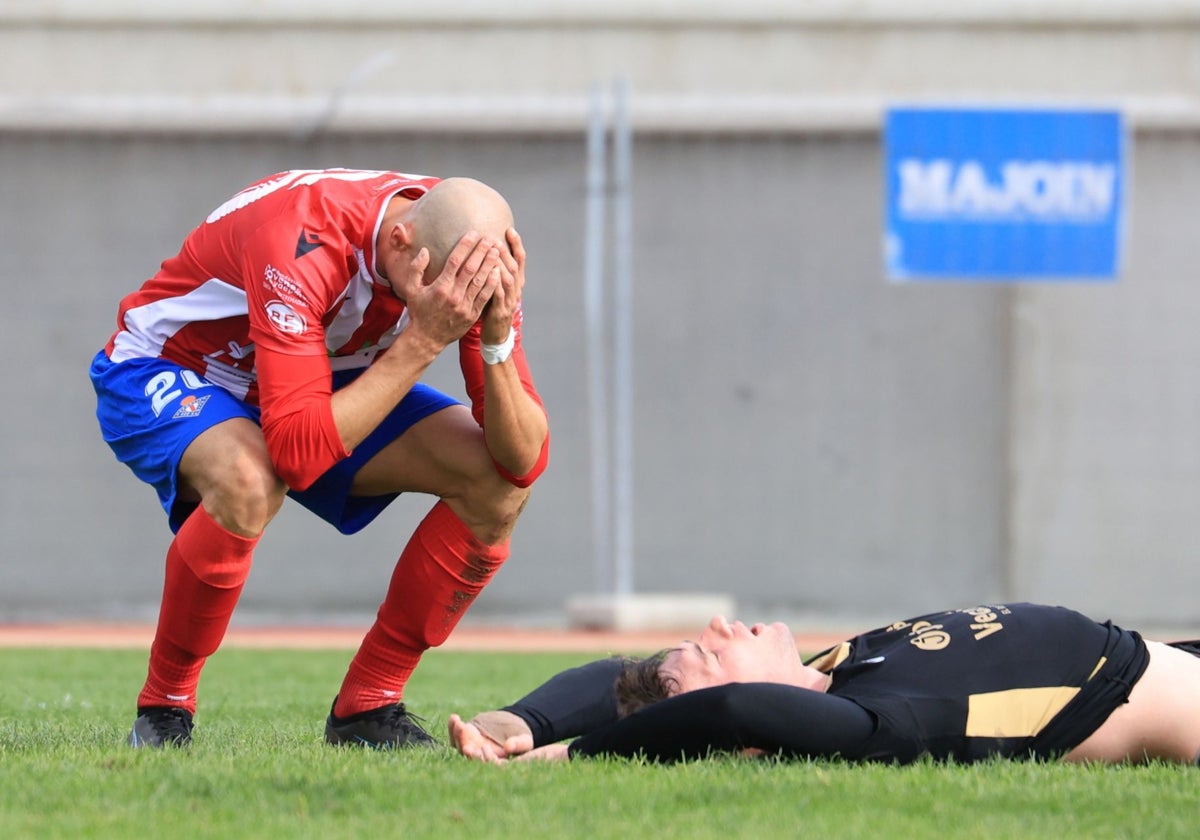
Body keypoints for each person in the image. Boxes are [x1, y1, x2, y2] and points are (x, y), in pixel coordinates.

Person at [90, 168, 550, 749]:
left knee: (496, 486)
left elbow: (523, 460)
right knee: (249, 479)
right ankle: (165, 707)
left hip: (314, 376)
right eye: (440, 294)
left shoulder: (466, 252)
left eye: (466, 300)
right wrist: (426, 339)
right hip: (178, 367)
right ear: (400, 242)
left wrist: (496, 335)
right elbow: (298, 456)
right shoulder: (304, 235)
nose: (452, 305)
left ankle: (368, 706)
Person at [449, 603, 1200, 766]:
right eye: (706, 655)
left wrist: (523, 723)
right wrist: (568, 759)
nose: (718, 626)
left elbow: (614, 679)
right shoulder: (879, 720)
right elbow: (736, 706)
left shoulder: (842, 667)